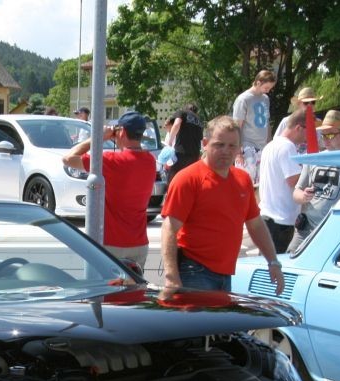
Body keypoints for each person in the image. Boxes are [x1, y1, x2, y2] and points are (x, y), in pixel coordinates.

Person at [160, 116, 284, 294]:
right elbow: (169, 228)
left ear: (239, 148)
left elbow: (256, 224)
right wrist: (171, 276)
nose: (226, 151)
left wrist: (273, 262)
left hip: (226, 275)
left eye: (232, 146)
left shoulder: (243, 180)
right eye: (219, 145)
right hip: (194, 272)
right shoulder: (188, 179)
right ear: (205, 143)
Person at [63, 111, 156, 267]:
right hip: (139, 243)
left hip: (111, 243)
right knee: (134, 284)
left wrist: (98, 138)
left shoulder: (110, 160)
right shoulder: (150, 162)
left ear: (122, 131)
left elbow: (68, 159)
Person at [289, 110, 340, 251]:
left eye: (330, 135)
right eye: (323, 135)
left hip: (336, 232)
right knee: (290, 260)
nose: (325, 139)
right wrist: (304, 196)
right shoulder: (313, 158)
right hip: (306, 229)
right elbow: (296, 193)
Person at [258, 110, 314, 252]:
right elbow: (293, 181)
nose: (308, 137)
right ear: (298, 128)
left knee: (266, 261)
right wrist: (311, 173)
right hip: (281, 220)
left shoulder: (270, 146)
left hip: (267, 216)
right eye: (308, 132)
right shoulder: (287, 147)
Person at [231, 69, 276, 185]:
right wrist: (238, 152)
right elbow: (237, 126)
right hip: (247, 147)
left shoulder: (265, 99)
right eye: (266, 88)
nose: (268, 91)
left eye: (270, 88)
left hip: (263, 148)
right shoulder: (243, 99)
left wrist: (270, 144)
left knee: (262, 184)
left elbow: (267, 122)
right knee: (245, 184)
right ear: (258, 83)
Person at [164, 103, 203, 182]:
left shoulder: (182, 112)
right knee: (189, 179)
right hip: (194, 155)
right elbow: (200, 138)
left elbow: (177, 124)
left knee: (173, 178)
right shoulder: (199, 120)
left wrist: (170, 141)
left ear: (185, 108)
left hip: (181, 152)